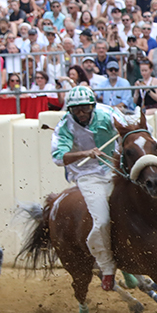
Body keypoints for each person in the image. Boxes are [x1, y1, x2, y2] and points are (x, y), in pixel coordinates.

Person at [50, 84, 120, 293]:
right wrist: (84, 153)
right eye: (76, 109)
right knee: (102, 220)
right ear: (69, 110)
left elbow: (131, 128)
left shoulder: (108, 114)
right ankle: (107, 267)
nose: (81, 113)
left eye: (85, 108)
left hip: (115, 167)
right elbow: (57, 157)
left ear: (92, 106)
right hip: (88, 176)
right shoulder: (64, 126)